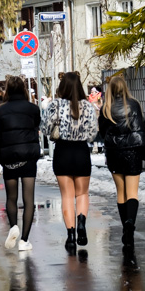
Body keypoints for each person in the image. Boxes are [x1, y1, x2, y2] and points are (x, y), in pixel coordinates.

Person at [99, 73, 145, 262]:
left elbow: (102, 132)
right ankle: (130, 224)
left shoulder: (106, 108)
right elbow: (142, 129)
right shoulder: (135, 104)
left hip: (114, 153)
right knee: (133, 193)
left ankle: (125, 228)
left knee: (120, 193)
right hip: (133, 153)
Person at [46, 71, 99, 252]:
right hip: (81, 152)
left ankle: (70, 235)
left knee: (67, 196)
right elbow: (93, 134)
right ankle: (82, 222)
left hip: (62, 151)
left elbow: (46, 127)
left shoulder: (55, 105)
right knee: (82, 194)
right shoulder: (88, 107)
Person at [0, 75, 41, 253]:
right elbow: (35, 128)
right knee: (29, 199)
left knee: (11, 197)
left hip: (9, 158)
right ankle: (24, 240)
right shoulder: (33, 109)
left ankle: (13, 226)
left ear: (8, 90)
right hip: (28, 157)